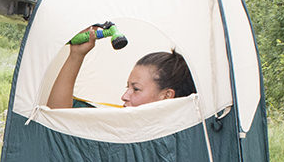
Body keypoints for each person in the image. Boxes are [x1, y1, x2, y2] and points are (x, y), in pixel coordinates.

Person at [47, 27, 196, 109]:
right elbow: (57, 118)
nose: (124, 96)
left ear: (166, 96)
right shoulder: (120, 123)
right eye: (128, 87)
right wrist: (76, 55)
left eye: (136, 89)